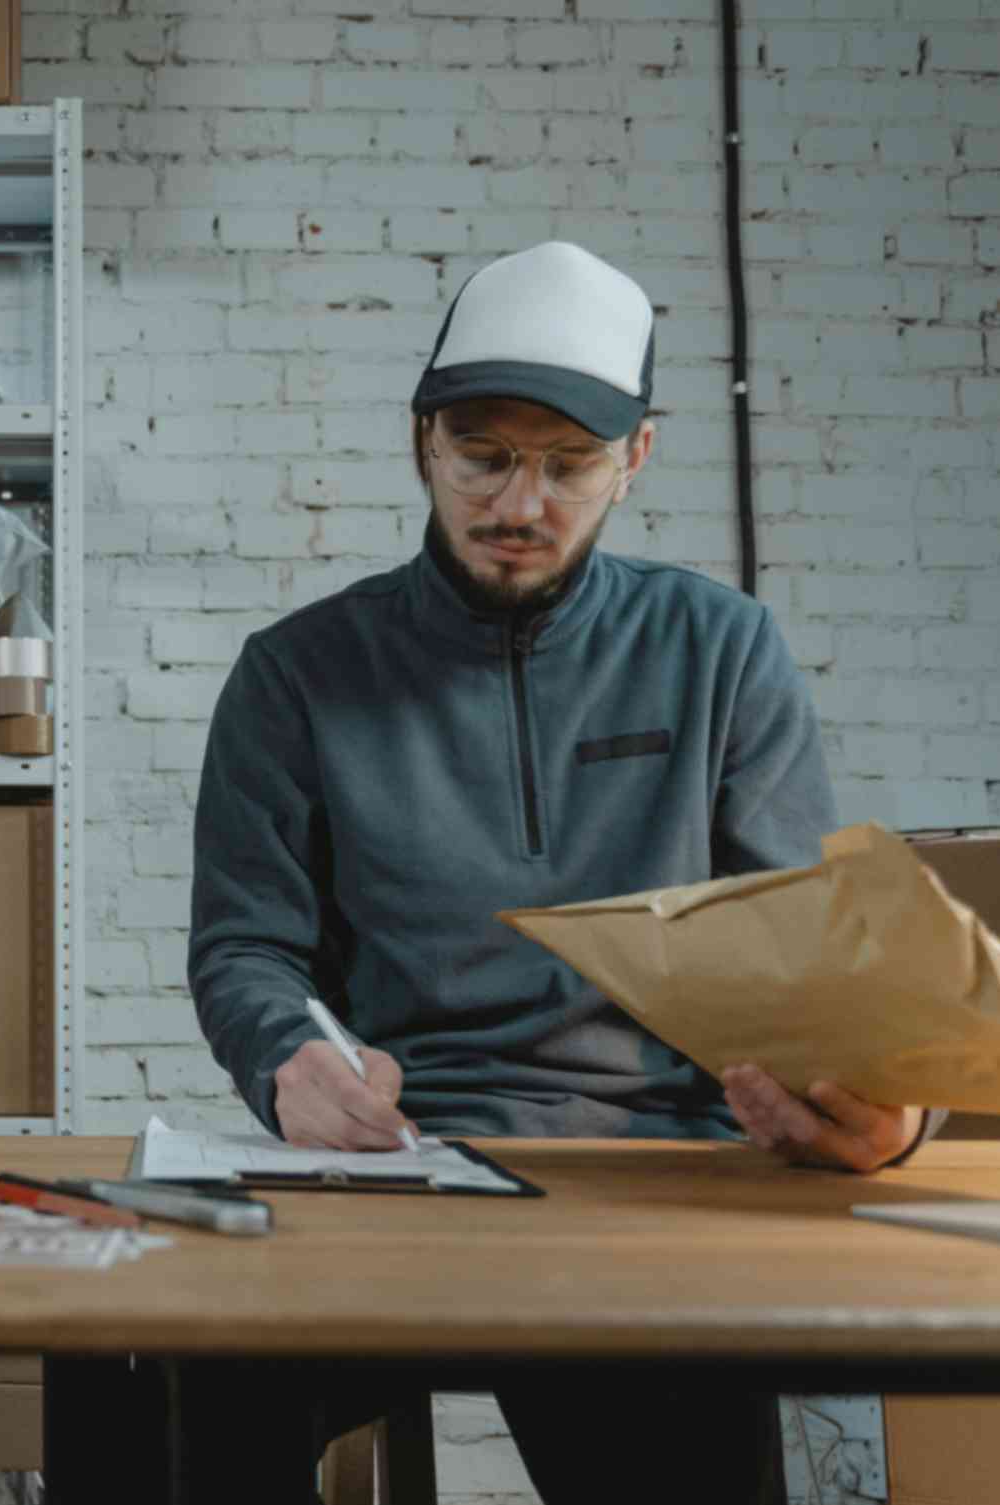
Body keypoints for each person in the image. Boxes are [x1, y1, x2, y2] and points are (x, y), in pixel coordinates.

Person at [178, 241, 939, 1502]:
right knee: (186, 1385)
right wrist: (285, 1060)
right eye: (483, 453)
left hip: (662, 1173)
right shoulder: (297, 672)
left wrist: (882, 1102)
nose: (519, 504)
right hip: (402, 1164)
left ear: (634, 460)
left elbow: (806, 949)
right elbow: (246, 945)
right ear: (424, 440)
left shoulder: (722, 650)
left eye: (569, 463)